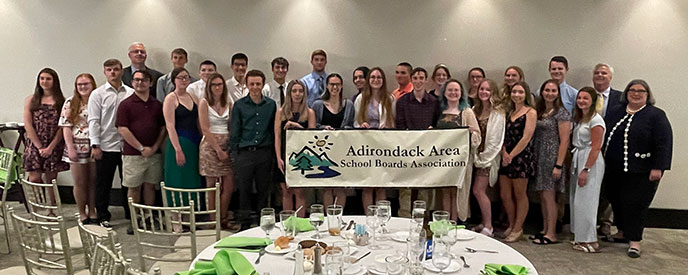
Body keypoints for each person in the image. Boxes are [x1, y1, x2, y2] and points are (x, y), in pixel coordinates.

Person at [602, 80, 672, 258]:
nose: (636, 93)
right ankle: (622, 232)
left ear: (647, 95)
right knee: (616, 201)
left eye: (641, 91)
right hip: (614, 169)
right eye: (632, 90)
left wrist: (659, 167)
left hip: (641, 171)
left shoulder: (655, 115)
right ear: (626, 93)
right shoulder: (616, 112)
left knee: (635, 205)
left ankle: (635, 241)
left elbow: (664, 143)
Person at [116, 70, 166, 234]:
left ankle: (149, 217)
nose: (140, 83)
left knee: (150, 186)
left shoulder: (157, 105)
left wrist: (155, 147)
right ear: (132, 82)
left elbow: (162, 128)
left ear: (150, 83)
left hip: (153, 154)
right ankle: (134, 219)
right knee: (133, 187)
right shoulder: (126, 104)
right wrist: (140, 148)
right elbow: (123, 129)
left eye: (144, 80)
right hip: (133, 154)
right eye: (136, 80)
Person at [88, 59, 135, 227]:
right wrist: (95, 145)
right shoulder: (97, 94)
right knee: (103, 184)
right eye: (109, 70)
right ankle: (102, 216)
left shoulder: (130, 92)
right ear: (104, 72)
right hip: (105, 146)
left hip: (127, 145)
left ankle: (131, 215)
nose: (113, 72)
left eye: (116, 69)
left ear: (122, 71)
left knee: (128, 183)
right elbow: (93, 121)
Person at [230, 69, 276, 230]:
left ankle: (264, 223)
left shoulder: (271, 105)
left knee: (264, 189)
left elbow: (273, 129)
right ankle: (245, 224)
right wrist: (235, 153)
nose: (255, 87)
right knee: (244, 189)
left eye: (258, 84)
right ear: (246, 85)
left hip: (265, 152)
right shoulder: (239, 105)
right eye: (252, 84)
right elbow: (235, 130)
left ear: (263, 85)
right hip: (245, 153)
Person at [395, 67, 440, 217]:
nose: (419, 81)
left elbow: (436, 124)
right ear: (412, 80)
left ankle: (423, 218)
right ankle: (404, 216)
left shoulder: (434, 102)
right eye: (416, 78)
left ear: (426, 80)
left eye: (422, 78)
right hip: (407, 148)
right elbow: (399, 125)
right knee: (406, 186)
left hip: (427, 150)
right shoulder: (403, 101)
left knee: (424, 185)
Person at [23, 68, 69, 215]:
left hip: (53, 144)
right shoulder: (31, 99)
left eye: (48, 79)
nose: (44, 81)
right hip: (35, 143)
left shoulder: (62, 101)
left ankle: (51, 210)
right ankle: (35, 210)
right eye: (42, 78)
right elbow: (28, 124)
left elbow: (63, 126)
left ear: (54, 81)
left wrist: (50, 147)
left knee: (51, 180)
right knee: (34, 178)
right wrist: (39, 146)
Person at [531, 79, 571, 244]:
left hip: (552, 158)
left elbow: (564, 141)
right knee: (542, 195)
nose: (549, 93)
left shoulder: (561, 113)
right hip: (539, 157)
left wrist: (558, 165)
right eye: (547, 90)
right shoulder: (540, 111)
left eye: (553, 90)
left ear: (558, 93)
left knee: (549, 196)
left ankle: (552, 233)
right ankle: (544, 229)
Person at [435, 79, 481, 222]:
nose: (453, 93)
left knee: (457, 191)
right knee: (444, 190)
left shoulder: (467, 112)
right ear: (444, 93)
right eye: (450, 90)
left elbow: (477, 136)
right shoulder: (439, 110)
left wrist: (470, 133)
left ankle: (454, 222)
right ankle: (444, 221)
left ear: (461, 93)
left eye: (456, 90)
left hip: (460, 160)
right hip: (442, 160)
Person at [498, 81, 536, 242]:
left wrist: (511, 155)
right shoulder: (509, 112)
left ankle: (518, 228)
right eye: (514, 92)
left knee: (519, 194)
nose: (517, 95)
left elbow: (526, 137)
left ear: (525, 94)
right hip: (506, 156)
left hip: (521, 157)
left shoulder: (530, 112)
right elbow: (502, 134)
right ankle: (511, 223)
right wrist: (504, 152)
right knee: (505, 194)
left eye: (520, 92)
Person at [569, 87, 605, 253]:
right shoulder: (581, 119)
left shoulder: (596, 120)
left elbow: (596, 147)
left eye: (585, 98)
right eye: (579, 98)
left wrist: (586, 170)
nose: (581, 101)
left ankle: (590, 240)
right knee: (577, 200)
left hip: (590, 160)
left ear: (592, 101)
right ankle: (579, 236)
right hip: (579, 157)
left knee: (587, 201)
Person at [354, 67, 395, 209]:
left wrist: (388, 127)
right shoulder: (361, 98)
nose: (376, 80)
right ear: (368, 80)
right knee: (368, 185)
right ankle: (369, 219)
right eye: (373, 77)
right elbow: (355, 121)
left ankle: (381, 220)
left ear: (383, 81)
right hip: (366, 146)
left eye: (379, 77)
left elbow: (393, 121)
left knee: (381, 185)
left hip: (383, 146)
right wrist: (361, 125)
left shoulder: (389, 99)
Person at [312, 73, 355, 209]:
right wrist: (324, 128)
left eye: (337, 84)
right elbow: (314, 125)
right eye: (332, 84)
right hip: (324, 150)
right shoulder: (318, 104)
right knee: (327, 186)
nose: (335, 87)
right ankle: (328, 218)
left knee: (341, 186)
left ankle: (339, 217)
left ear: (341, 86)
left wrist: (343, 130)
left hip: (342, 149)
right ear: (327, 86)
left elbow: (351, 126)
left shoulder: (348, 105)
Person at [59, 73, 97, 224]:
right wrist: (70, 148)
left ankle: (93, 210)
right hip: (76, 146)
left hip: (94, 145)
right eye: (79, 85)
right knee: (80, 181)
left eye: (85, 84)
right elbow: (66, 127)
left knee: (93, 181)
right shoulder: (70, 102)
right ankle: (82, 212)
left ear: (92, 84)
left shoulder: (97, 99)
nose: (82, 87)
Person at [198, 73, 235, 229]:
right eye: (214, 85)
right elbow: (205, 129)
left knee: (229, 185)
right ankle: (214, 220)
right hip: (210, 146)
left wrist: (227, 148)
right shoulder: (204, 103)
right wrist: (218, 150)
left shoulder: (229, 102)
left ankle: (223, 217)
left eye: (220, 84)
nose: (217, 87)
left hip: (227, 144)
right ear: (209, 87)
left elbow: (232, 126)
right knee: (212, 185)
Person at [162, 68, 202, 210]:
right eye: (180, 78)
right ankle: (176, 218)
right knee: (178, 180)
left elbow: (199, 122)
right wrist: (178, 149)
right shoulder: (170, 98)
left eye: (186, 77)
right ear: (174, 80)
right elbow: (170, 126)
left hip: (194, 142)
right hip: (179, 142)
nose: (184, 80)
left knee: (192, 180)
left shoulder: (193, 97)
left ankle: (190, 216)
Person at [274, 79, 315, 216]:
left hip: (302, 156)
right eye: (294, 91)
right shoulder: (281, 112)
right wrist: (278, 157)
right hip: (285, 154)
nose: (297, 94)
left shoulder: (309, 113)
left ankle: (300, 223)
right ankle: (288, 223)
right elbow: (277, 136)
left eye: (300, 91)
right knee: (286, 191)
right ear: (289, 93)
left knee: (299, 191)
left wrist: (297, 126)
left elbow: (312, 138)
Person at [471, 79, 506, 237]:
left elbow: (496, 140)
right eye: (481, 89)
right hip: (474, 156)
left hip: (487, 158)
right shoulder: (474, 109)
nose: (484, 92)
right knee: (477, 191)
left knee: (479, 191)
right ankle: (484, 222)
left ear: (493, 92)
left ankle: (489, 226)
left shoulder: (498, 112)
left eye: (488, 90)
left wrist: (484, 158)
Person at [591, 63, 622, 238]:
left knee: (610, 187)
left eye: (604, 73)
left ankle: (606, 222)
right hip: (589, 147)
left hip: (612, 148)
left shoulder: (621, 98)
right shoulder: (586, 95)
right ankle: (590, 220)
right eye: (597, 73)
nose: (600, 75)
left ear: (610, 77)